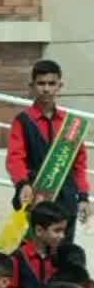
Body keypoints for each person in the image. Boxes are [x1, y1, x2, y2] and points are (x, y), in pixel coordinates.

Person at [8, 58, 90, 244]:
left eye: (52, 84)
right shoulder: (23, 121)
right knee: (32, 251)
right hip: (34, 198)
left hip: (66, 202)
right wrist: (22, 184)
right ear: (32, 86)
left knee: (63, 252)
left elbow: (79, 166)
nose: (46, 89)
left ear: (60, 86)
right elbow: (15, 158)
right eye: (41, 83)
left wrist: (84, 197)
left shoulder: (72, 124)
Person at [13, 202, 69, 288]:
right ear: (39, 230)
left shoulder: (59, 256)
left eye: (64, 231)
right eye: (57, 231)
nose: (62, 236)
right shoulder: (18, 258)